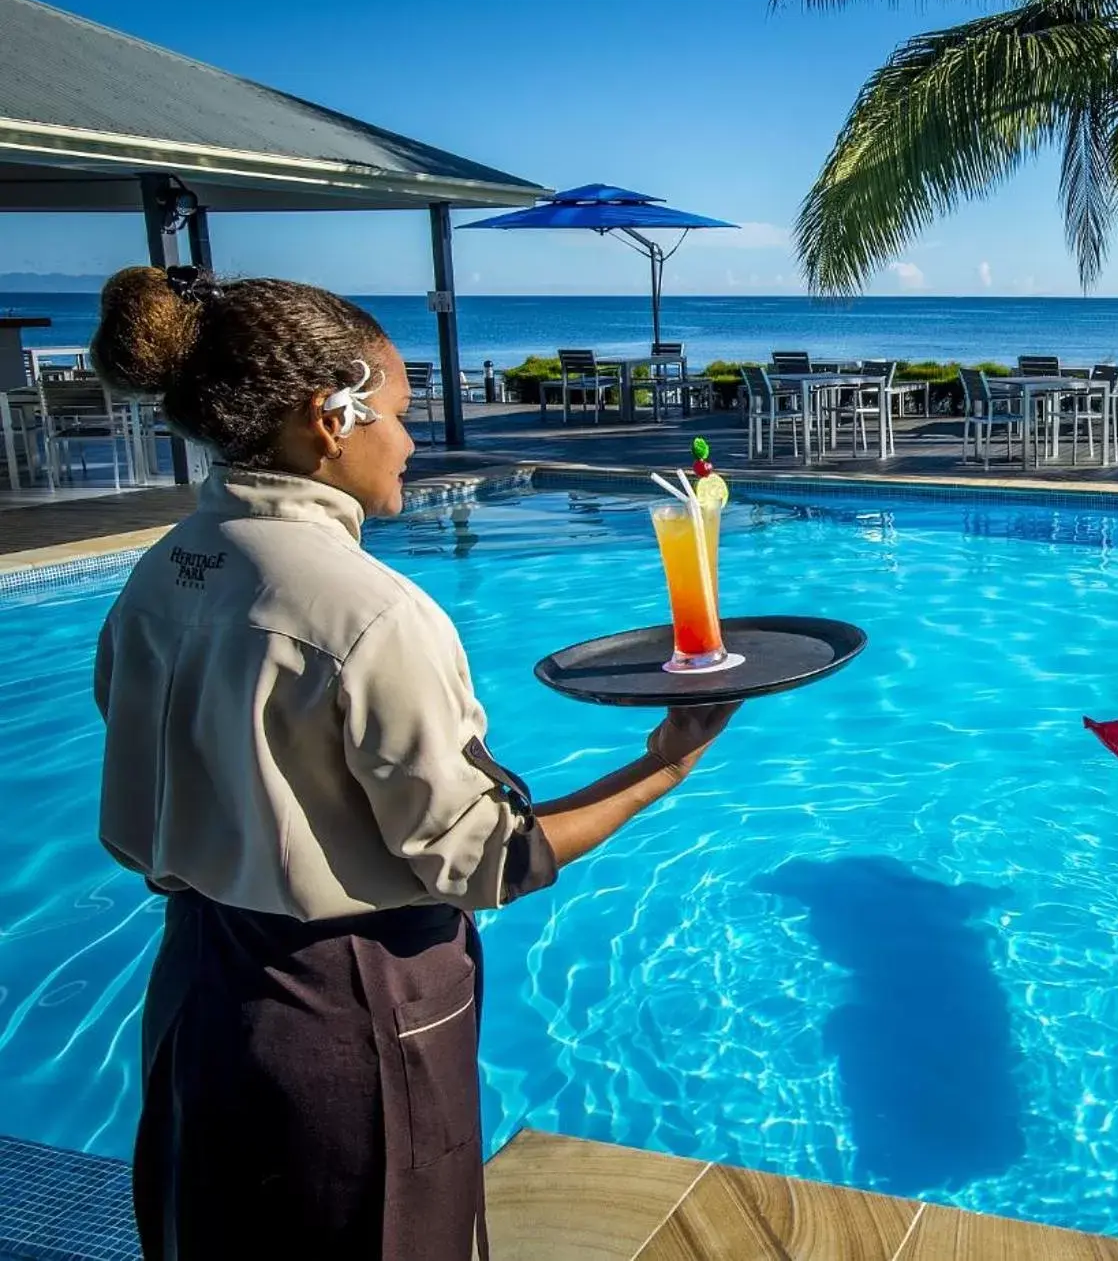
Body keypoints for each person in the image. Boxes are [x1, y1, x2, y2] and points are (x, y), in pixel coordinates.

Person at [90, 265, 734, 1260]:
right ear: (328, 418)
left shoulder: (165, 570)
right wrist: (665, 765)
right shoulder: (365, 612)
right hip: (346, 1017)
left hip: (200, 989)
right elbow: (485, 860)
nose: (413, 438)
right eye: (397, 410)